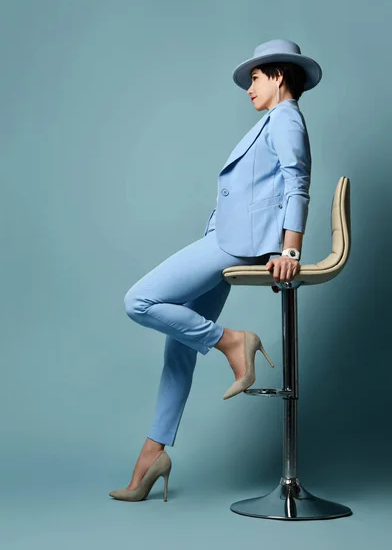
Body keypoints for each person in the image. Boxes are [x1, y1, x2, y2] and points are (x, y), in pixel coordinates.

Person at [109, 39, 322, 502]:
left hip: (236, 244)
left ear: (279, 76)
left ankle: (232, 342)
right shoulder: (270, 121)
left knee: (139, 301)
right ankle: (152, 455)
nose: (248, 87)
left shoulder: (285, 119)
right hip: (226, 238)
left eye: (255, 78)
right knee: (178, 348)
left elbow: (297, 183)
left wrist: (291, 250)